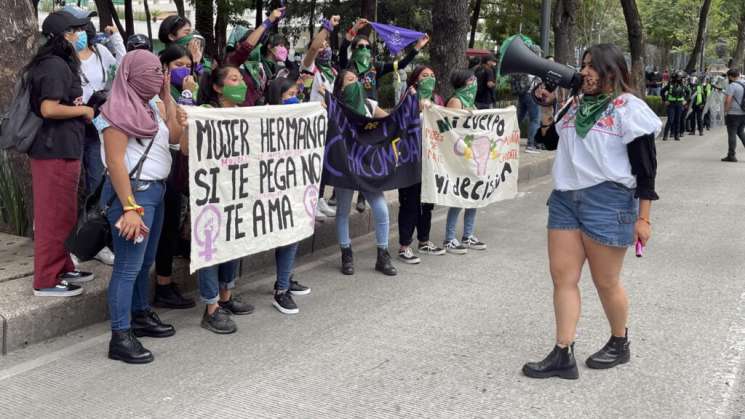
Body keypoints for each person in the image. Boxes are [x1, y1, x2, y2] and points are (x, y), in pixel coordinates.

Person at [525, 44, 661, 380]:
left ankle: (619, 342)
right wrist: (546, 108)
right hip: (565, 200)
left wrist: (643, 218)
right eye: (583, 65)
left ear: (612, 71)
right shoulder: (573, 105)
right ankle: (563, 352)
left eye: (592, 66)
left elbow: (646, 169)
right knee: (563, 277)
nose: (584, 72)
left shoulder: (628, 108)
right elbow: (548, 142)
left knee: (606, 282)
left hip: (609, 201)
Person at [96, 50, 184, 363]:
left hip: (156, 192)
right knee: (127, 267)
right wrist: (130, 207)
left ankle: (140, 315)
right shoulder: (115, 111)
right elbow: (116, 163)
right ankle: (120, 335)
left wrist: (168, 99)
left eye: (159, 71)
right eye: (151, 72)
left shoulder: (149, 107)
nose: (158, 77)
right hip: (133, 195)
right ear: (131, 75)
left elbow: (174, 137)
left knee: (145, 261)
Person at [174, 66, 257, 334]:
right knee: (210, 246)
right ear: (219, 88)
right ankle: (210, 308)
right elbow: (186, 149)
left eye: (242, 79)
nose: (241, 83)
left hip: (235, 189)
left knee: (232, 241)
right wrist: (188, 125)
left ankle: (226, 297)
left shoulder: (246, 114)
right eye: (234, 79)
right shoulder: (204, 112)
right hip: (210, 192)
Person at [27, 11, 96, 297]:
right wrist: (84, 109)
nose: (81, 35)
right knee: (51, 217)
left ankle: (63, 266)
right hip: (52, 150)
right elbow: (49, 108)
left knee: (66, 214)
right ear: (61, 36)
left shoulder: (63, 63)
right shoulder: (54, 65)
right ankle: (45, 279)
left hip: (66, 148)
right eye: (75, 30)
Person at [64, 8, 118, 267]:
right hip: (70, 129)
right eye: (75, 27)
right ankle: (67, 245)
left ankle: (95, 242)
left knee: (98, 183)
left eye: (83, 26)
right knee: (69, 186)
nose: (81, 32)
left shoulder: (101, 53)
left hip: (97, 127)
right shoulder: (60, 58)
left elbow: (116, 79)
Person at [331, 69, 397, 276]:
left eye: (357, 80)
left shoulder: (369, 105)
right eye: (350, 80)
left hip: (367, 167)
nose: (357, 83)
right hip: (345, 168)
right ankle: (346, 253)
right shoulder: (335, 107)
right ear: (341, 88)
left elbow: (390, 122)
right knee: (342, 211)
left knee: (381, 209)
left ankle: (383, 254)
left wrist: (410, 104)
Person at [151, 44, 198, 310]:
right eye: (178, 65)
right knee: (166, 228)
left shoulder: (181, 90)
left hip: (178, 166)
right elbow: (174, 133)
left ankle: (166, 283)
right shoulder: (158, 95)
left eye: (188, 66)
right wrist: (183, 95)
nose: (185, 71)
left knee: (171, 225)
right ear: (164, 67)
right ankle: (163, 285)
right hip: (163, 168)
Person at [263, 77, 313, 314]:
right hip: (272, 188)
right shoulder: (263, 117)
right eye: (288, 94)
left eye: (296, 93)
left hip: (294, 185)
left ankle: (285, 279)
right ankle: (281, 290)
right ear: (276, 97)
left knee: (293, 233)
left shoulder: (298, 118)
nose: (294, 98)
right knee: (287, 235)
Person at [397, 65, 446, 265]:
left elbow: (444, 126)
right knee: (410, 202)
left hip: (430, 159)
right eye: (425, 75)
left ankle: (424, 240)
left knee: (427, 201)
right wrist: (417, 106)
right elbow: (399, 123)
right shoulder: (408, 97)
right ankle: (404, 245)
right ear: (415, 79)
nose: (430, 78)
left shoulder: (437, 100)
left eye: (432, 74)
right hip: (410, 159)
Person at [442, 69, 487, 255]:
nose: (474, 82)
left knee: (473, 197)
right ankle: (449, 237)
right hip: (459, 156)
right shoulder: (456, 101)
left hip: (472, 155)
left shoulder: (470, 102)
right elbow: (449, 129)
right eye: (471, 79)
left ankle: (468, 235)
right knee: (460, 197)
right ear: (463, 82)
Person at [301, 16, 342, 219]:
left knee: (325, 163)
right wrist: (327, 28)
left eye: (327, 43)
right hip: (312, 124)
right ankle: (311, 200)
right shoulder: (310, 67)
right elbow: (313, 48)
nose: (325, 46)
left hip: (329, 122)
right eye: (322, 43)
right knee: (314, 163)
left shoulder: (333, 71)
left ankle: (320, 198)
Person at [224, 7, 285, 106]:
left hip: (253, 116)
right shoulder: (231, 63)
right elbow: (247, 47)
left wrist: (274, 22)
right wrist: (269, 21)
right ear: (238, 45)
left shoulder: (259, 66)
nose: (254, 46)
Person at [721, 68, 745, 162]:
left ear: (730, 76)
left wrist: (726, 111)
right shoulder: (744, 83)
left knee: (732, 134)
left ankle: (731, 155)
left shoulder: (732, 86)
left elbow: (728, 100)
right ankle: (731, 154)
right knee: (741, 132)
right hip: (743, 113)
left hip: (733, 114)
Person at [660, 71, 688, 141]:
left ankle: (676, 135)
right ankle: (665, 135)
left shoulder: (683, 85)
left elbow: (688, 92)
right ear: (675, 78)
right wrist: (664, 100)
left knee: (677, 120)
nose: (680, 79)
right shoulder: (670, 84)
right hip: (671, 104)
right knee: (670, 120)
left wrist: (686, 100)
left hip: (679, 104)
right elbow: (662, 91)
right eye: (679, 77)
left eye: (680, 77)